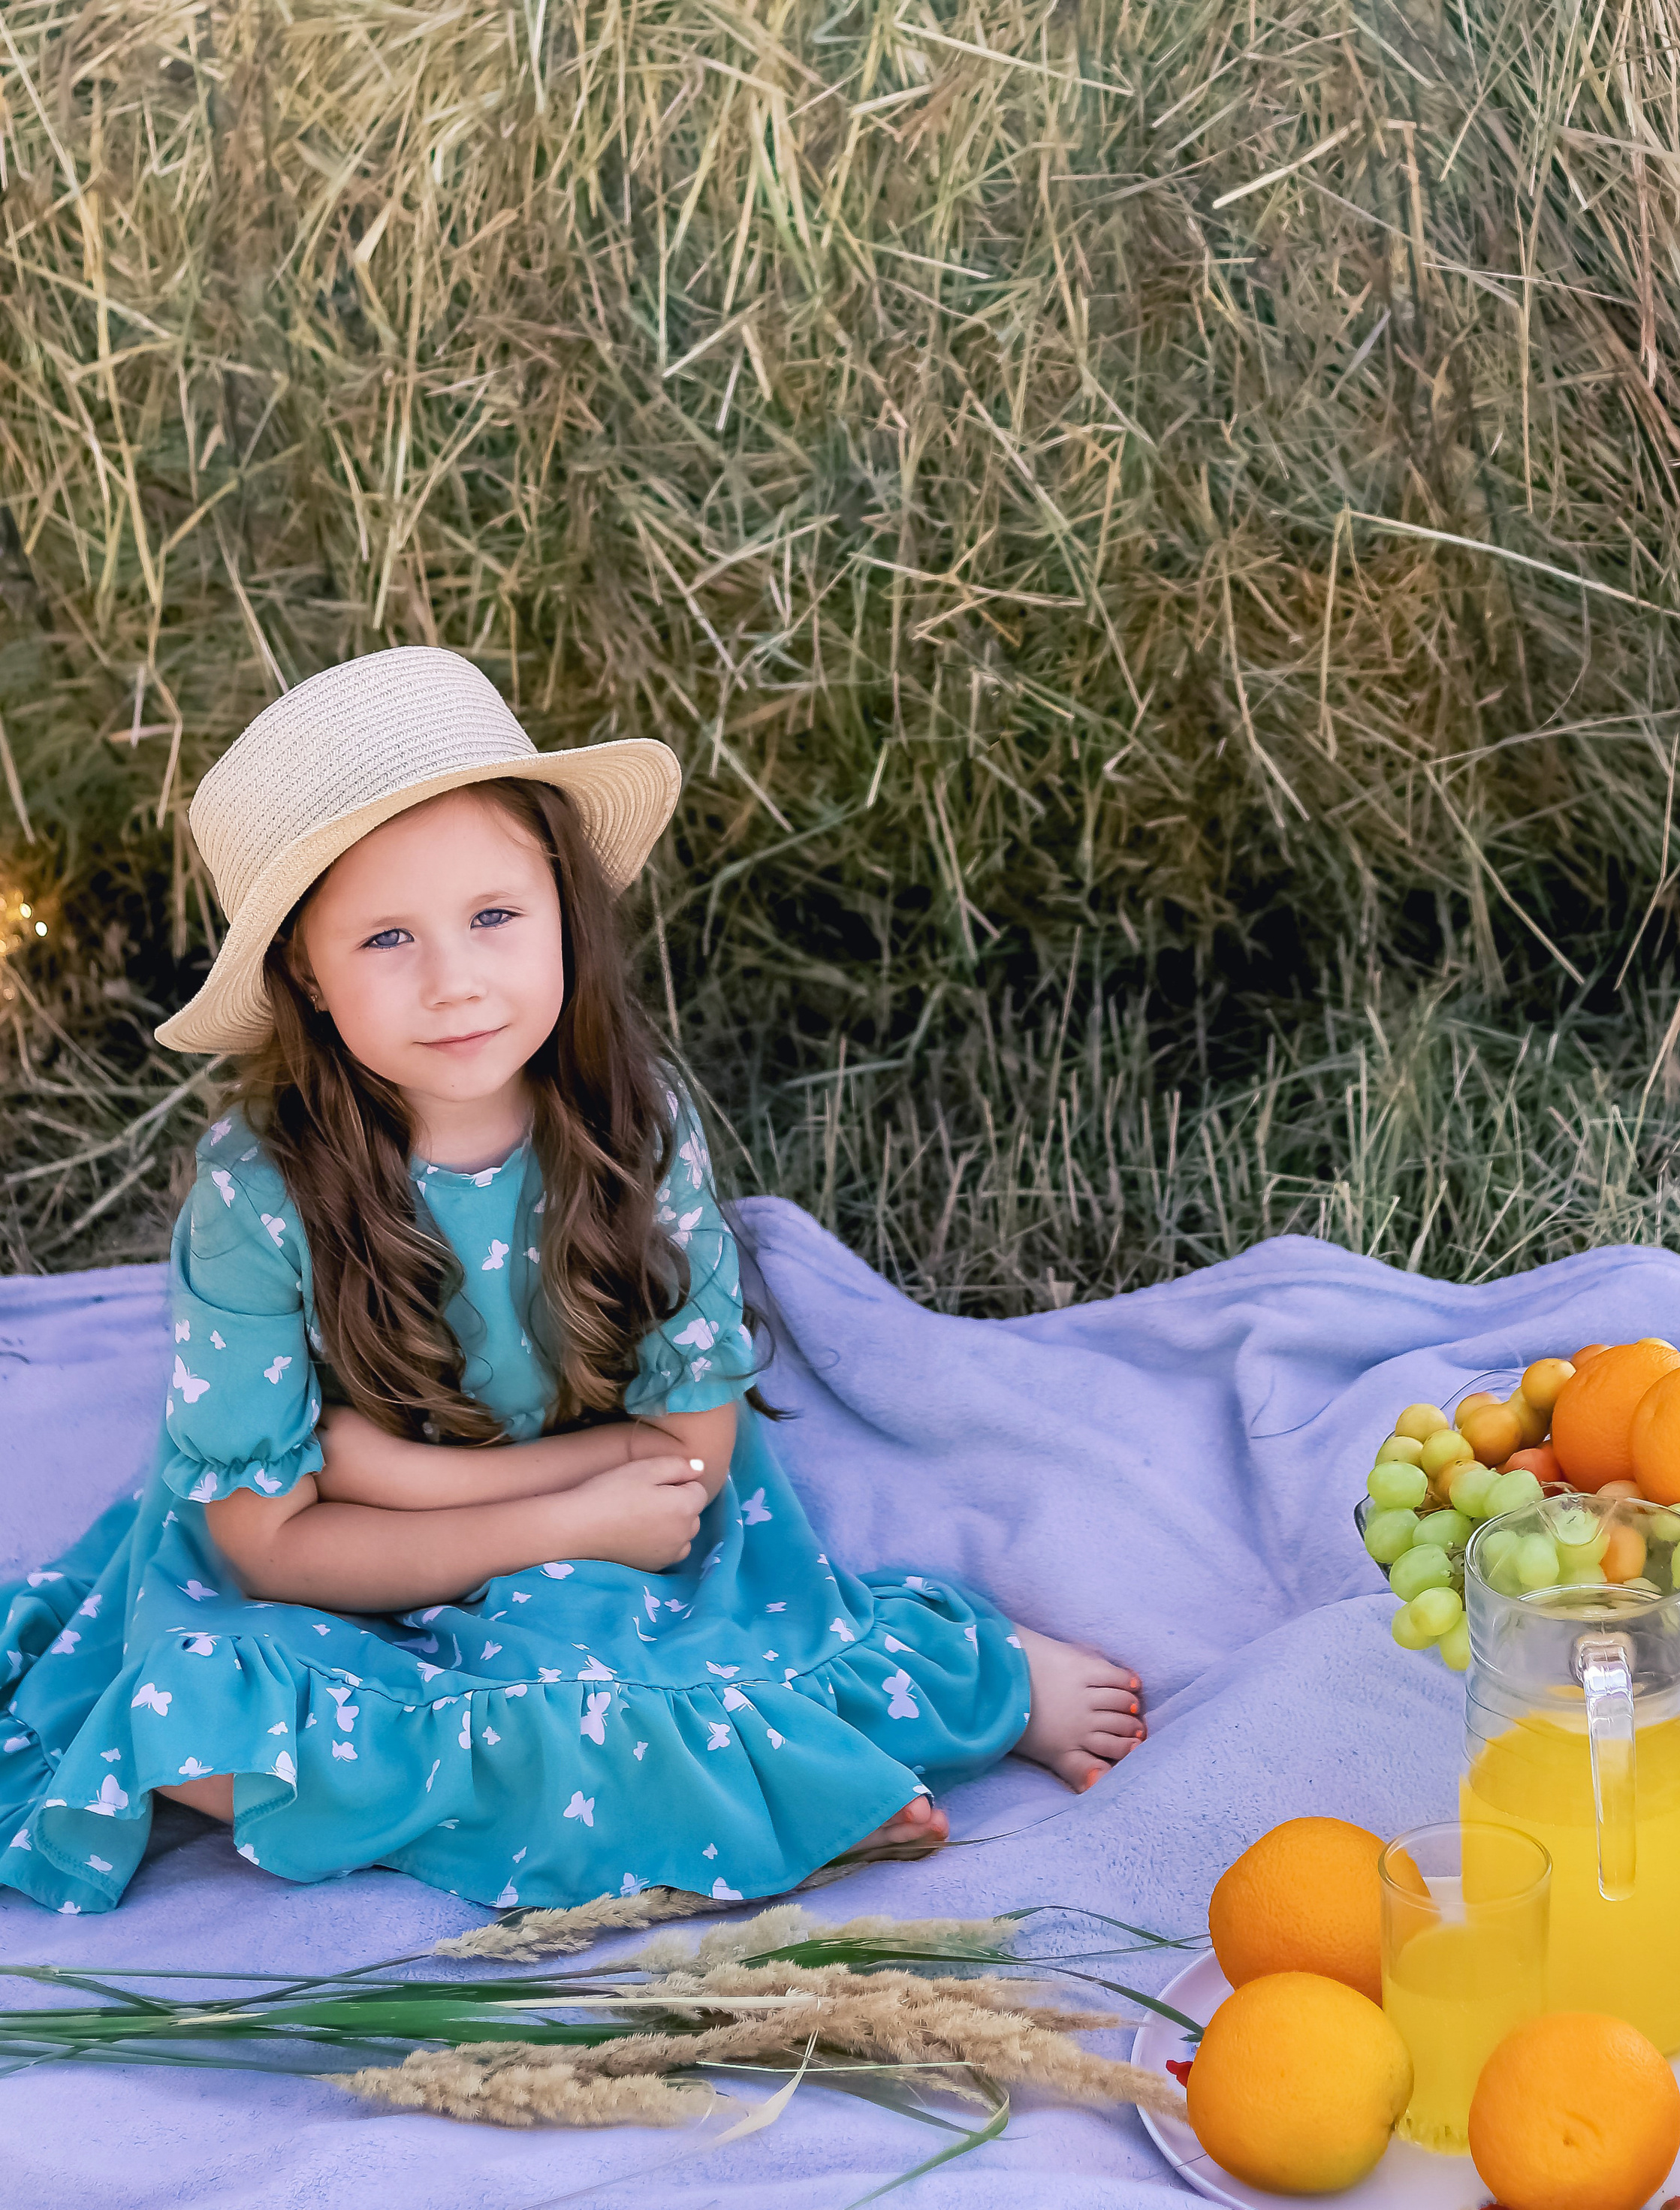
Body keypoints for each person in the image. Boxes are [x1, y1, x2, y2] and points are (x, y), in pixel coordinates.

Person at [0, 648, 1145, 1916]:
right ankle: (735, 1787)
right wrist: (545, 1509)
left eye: (495, 916)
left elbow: (685, 1470)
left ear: (561, 909)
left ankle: (850, 1718)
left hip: (613, 1538)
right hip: (357, 1565)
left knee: (639, 1635)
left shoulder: (630, 1129)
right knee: (192, 1728)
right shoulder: (254, 1193)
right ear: (308, 979)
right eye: (386, 937)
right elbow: (267, 1545)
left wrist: (393, 1470)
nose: (455, 981)